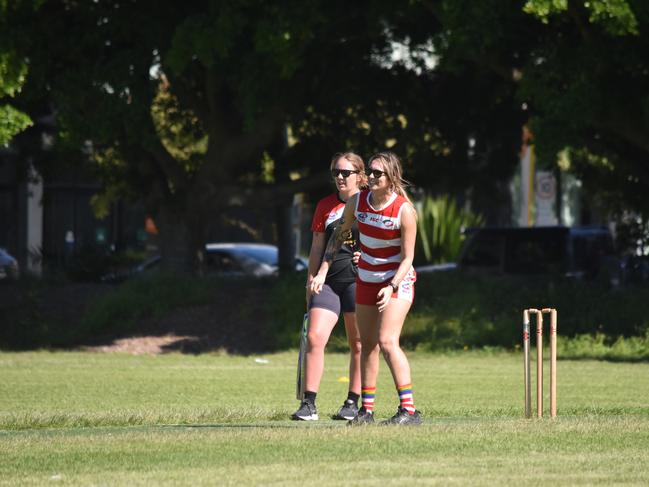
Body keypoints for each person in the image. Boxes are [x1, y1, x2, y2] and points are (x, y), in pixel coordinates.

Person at [310, 151, 421, 425]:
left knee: (387, 341)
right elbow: (339, 236)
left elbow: (408, 258)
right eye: (369, 171)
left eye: (377, 173)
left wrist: (392, 285)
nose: (370, 176)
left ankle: (408, 410)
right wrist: (322, 271)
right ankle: (366, 411)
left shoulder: (403, 211)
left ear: (391, 177)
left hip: (397, 280)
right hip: (367, 279)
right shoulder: (359, 202)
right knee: (367, 343)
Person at [291, 152, 367, 421]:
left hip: (359, 282)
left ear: (360, 175)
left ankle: (352, 402)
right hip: (329, 280)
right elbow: (317, 246)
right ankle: (309, 404)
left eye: (346, 172)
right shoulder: (325, 205)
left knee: (358, 343)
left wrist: (367, 257)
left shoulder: (369, 203)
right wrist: (311, 280)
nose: (340, 177)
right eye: (336, 172)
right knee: (314, 337)